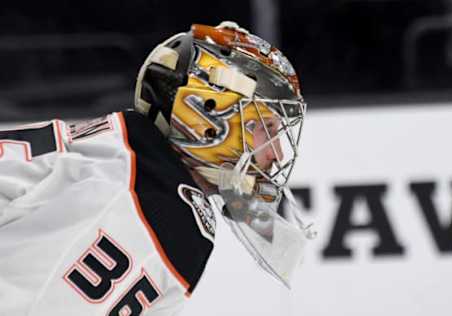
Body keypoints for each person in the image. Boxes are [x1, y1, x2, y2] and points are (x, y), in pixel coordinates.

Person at [0, 22, 314, 315]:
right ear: (208, 116)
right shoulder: (150, 207)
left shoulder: (125, 153)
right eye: (266, 127)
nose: (276, 153)